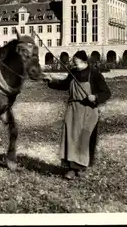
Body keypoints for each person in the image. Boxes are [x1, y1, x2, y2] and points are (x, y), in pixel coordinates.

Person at [42, 50, 111, 180]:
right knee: (70, 137)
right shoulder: (73, 73)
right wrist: (51, 81)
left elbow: (106, 92)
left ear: (84, 62)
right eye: (73, 63)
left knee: (83, 138)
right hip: (73, 109)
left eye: (76, 62)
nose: (74, 65)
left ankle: (81, 167)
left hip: (88, 111)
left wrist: (95, 97)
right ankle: (71, 168)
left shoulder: (95, 74)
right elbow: (64, 85)